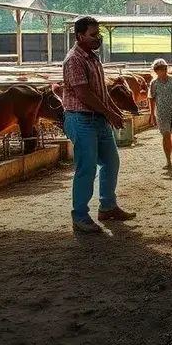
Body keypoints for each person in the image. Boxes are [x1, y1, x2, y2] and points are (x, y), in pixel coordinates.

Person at [62, 16, 136, 233]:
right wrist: (109, 113)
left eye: (99, 34)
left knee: (111, 162)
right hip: (82, 118)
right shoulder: (74, 59)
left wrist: (113, 111)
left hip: (98, 119)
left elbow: (100, 92)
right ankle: (80, 216)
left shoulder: (93, 58)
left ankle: (107, 206)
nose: (98, 38)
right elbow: (84, 93)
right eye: (93, 35)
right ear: (80, 36)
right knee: (86, 168)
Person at [148, 58, 172, 169]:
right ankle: (168, 160)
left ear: (166, 69)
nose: (161, 72)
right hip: (162, 112)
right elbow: (151, 99)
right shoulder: (154, 83)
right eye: (158, 70)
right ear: (155, 71)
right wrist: (152, 114)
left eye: (163, 69)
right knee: (166, 135)